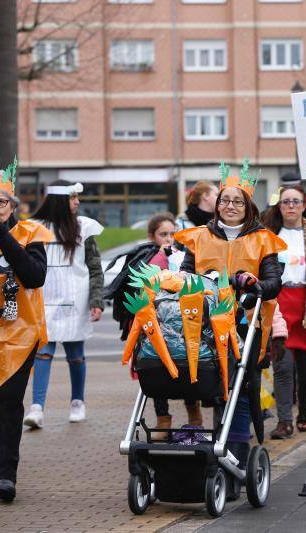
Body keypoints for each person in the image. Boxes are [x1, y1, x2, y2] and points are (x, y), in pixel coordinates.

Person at [175, 160, 286, 464]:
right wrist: (189, 281)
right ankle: (213, 449)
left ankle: (235, 454)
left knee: (240, 388)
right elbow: (184, 274)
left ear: (248, 206)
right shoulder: (200, 237)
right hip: (205, 325)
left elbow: (274, 282)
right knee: (213, 385)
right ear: (217, 204)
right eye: (225, 200)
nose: (231, 206)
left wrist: (254, 284)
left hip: (245, 326)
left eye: (238, 201)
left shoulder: (263, 239)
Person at [0, 156, 52, 502]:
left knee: (8, 403)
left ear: (12, 206)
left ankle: (7, 475)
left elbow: (34, 276)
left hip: (18, 334)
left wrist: (5, 238)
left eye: (0, 202)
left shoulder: (30, 233)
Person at [104, 212, 202, 435]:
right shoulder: (150, 257)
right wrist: (161, 254)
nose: (169, 238)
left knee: (187, 369)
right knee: (156, 369)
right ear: (152, 236)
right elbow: (146, 282)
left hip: (183, 322)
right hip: (157, 324)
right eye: (163, 234)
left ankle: (194, 419)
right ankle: (163, 420)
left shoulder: (186, 253)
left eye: (172, 233)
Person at [23, 181, 103, 428]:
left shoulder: (84, 228)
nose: (77, 202)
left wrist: (96, 300)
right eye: (73, 198)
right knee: (42, 353)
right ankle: (37, 408)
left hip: (75, 299)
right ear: (59, 201)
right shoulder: (34, 228)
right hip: (43, 300)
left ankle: (77, 402)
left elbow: (94, 267)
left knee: (76, 356)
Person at [261, 185, 306, 439]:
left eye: (296, 201)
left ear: (304, 204)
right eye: (286, 202)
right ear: (279, 205)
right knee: (282, 366)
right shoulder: (268, 234)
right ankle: (284, 421)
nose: (291, 206)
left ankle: (304, 410)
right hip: (279, 303)